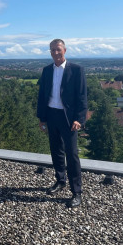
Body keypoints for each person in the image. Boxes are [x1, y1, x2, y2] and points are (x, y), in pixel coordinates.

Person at [37, 39, 87, 208]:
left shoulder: (76, 70)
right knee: (56, 151)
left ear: (65, 50)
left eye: (58, 49)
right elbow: (42, 96)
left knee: (71, 154)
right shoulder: (46, 70)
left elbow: (82, 96)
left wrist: (79, 119)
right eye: (52, 50)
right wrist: (41, 118)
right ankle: (60, 180)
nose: (55, 53)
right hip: (51, 114)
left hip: (69, 118)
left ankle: (76, 192)